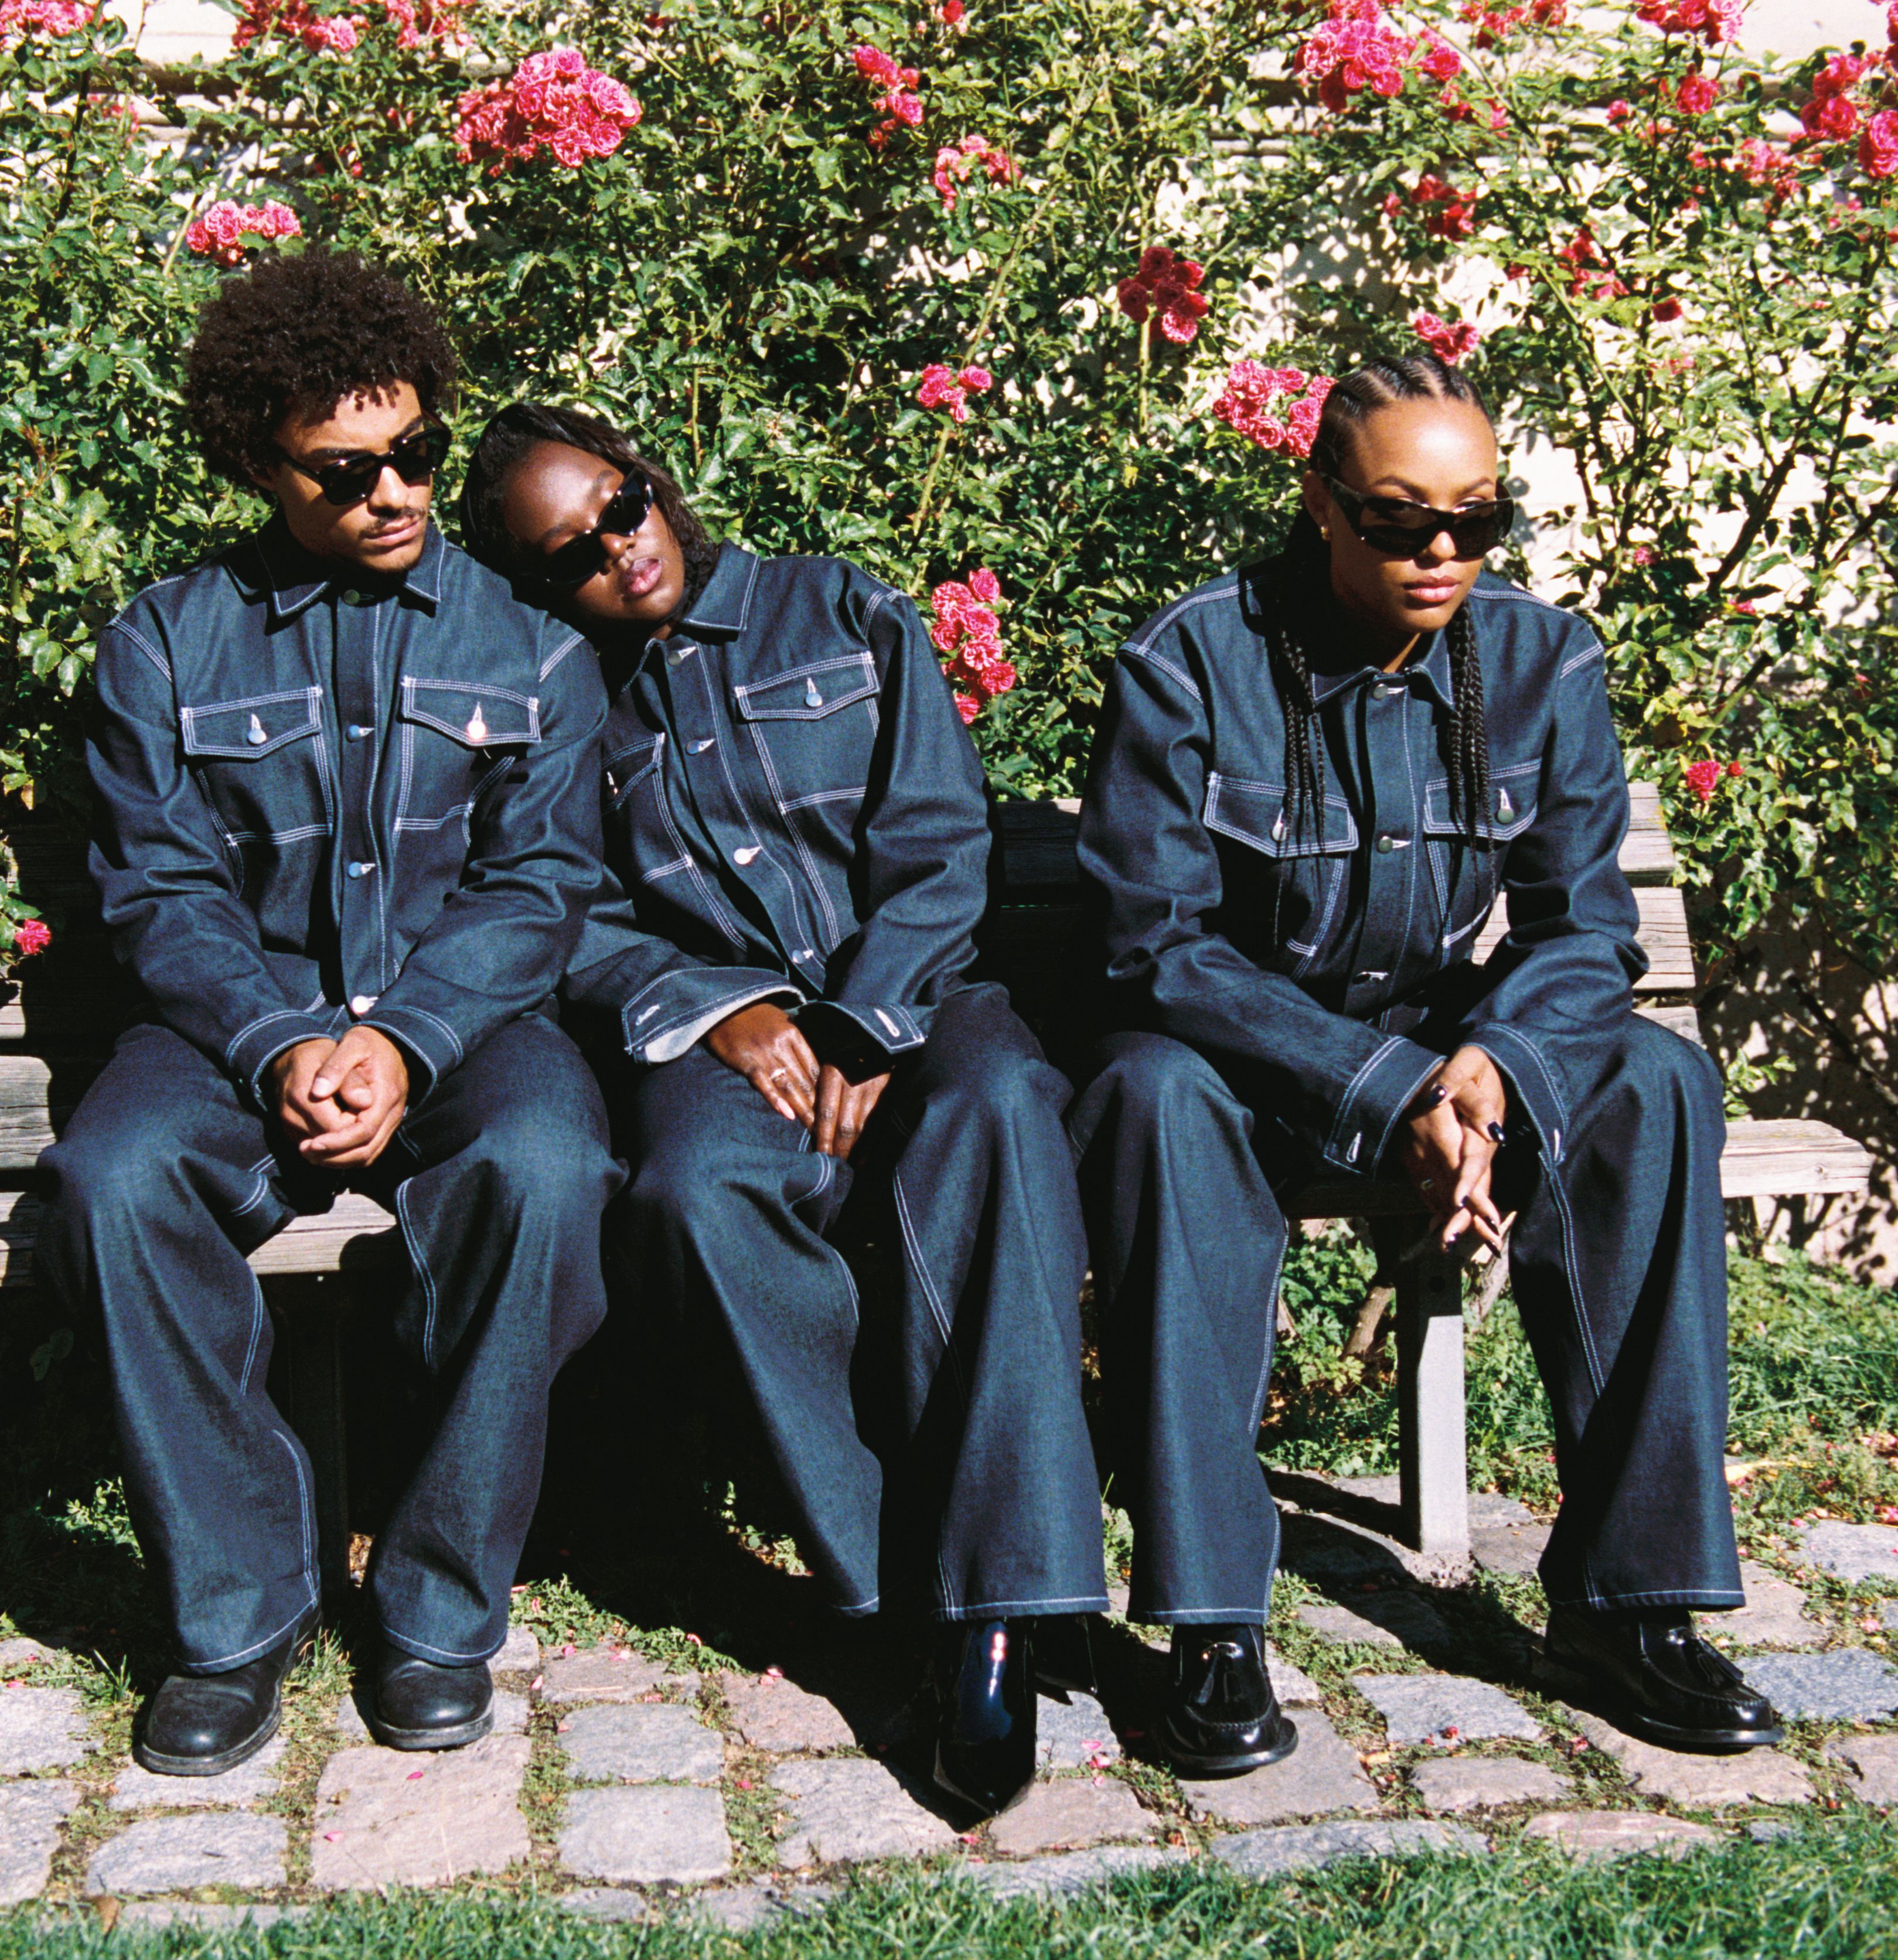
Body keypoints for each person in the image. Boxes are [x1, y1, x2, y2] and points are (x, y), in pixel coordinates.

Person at [1068, 352, 1784, 1770]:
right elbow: (1153, 946)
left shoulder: (1542, 659)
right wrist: (1384, 1087)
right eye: (1398, 518)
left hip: (1448, 1053)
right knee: (1152, 1098)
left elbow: (1587, 929)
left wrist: (1486, 1069)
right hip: (1246, 1060)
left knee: (1656, 1084)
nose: (1441, 550)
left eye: (1477, 518)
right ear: (1321, 501)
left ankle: (1628, 1608)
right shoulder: (1192, 661)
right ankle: (1212, 1621)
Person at [457, 404, 1108, 1820]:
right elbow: (566, 910)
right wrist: (725, 1011)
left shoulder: (840, 608)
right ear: (535, 584)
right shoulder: (565, 703)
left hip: (918, 993)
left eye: (620, 507)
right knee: (693, 1192)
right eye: (569, 555)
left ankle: (1004, 1603)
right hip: (727, 1038)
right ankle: (898, 1584)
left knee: (1001, 1106)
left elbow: (940, 837)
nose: (618, 553)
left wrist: (867, 1016)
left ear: (651, 480)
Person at [39, 251, 620, 1774]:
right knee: (112, 1177)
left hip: (466, 1028)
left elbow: (541, 881)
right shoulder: (166, 641)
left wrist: (407, 1036)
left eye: (416, 452)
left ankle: (436, 1608)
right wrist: (281, 1040)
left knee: (548, 1168)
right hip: (232, 1027)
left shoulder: (532, 644)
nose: (396, 493)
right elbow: (159, 888)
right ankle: (238, 1611)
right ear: (259, 465)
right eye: (346, 471)